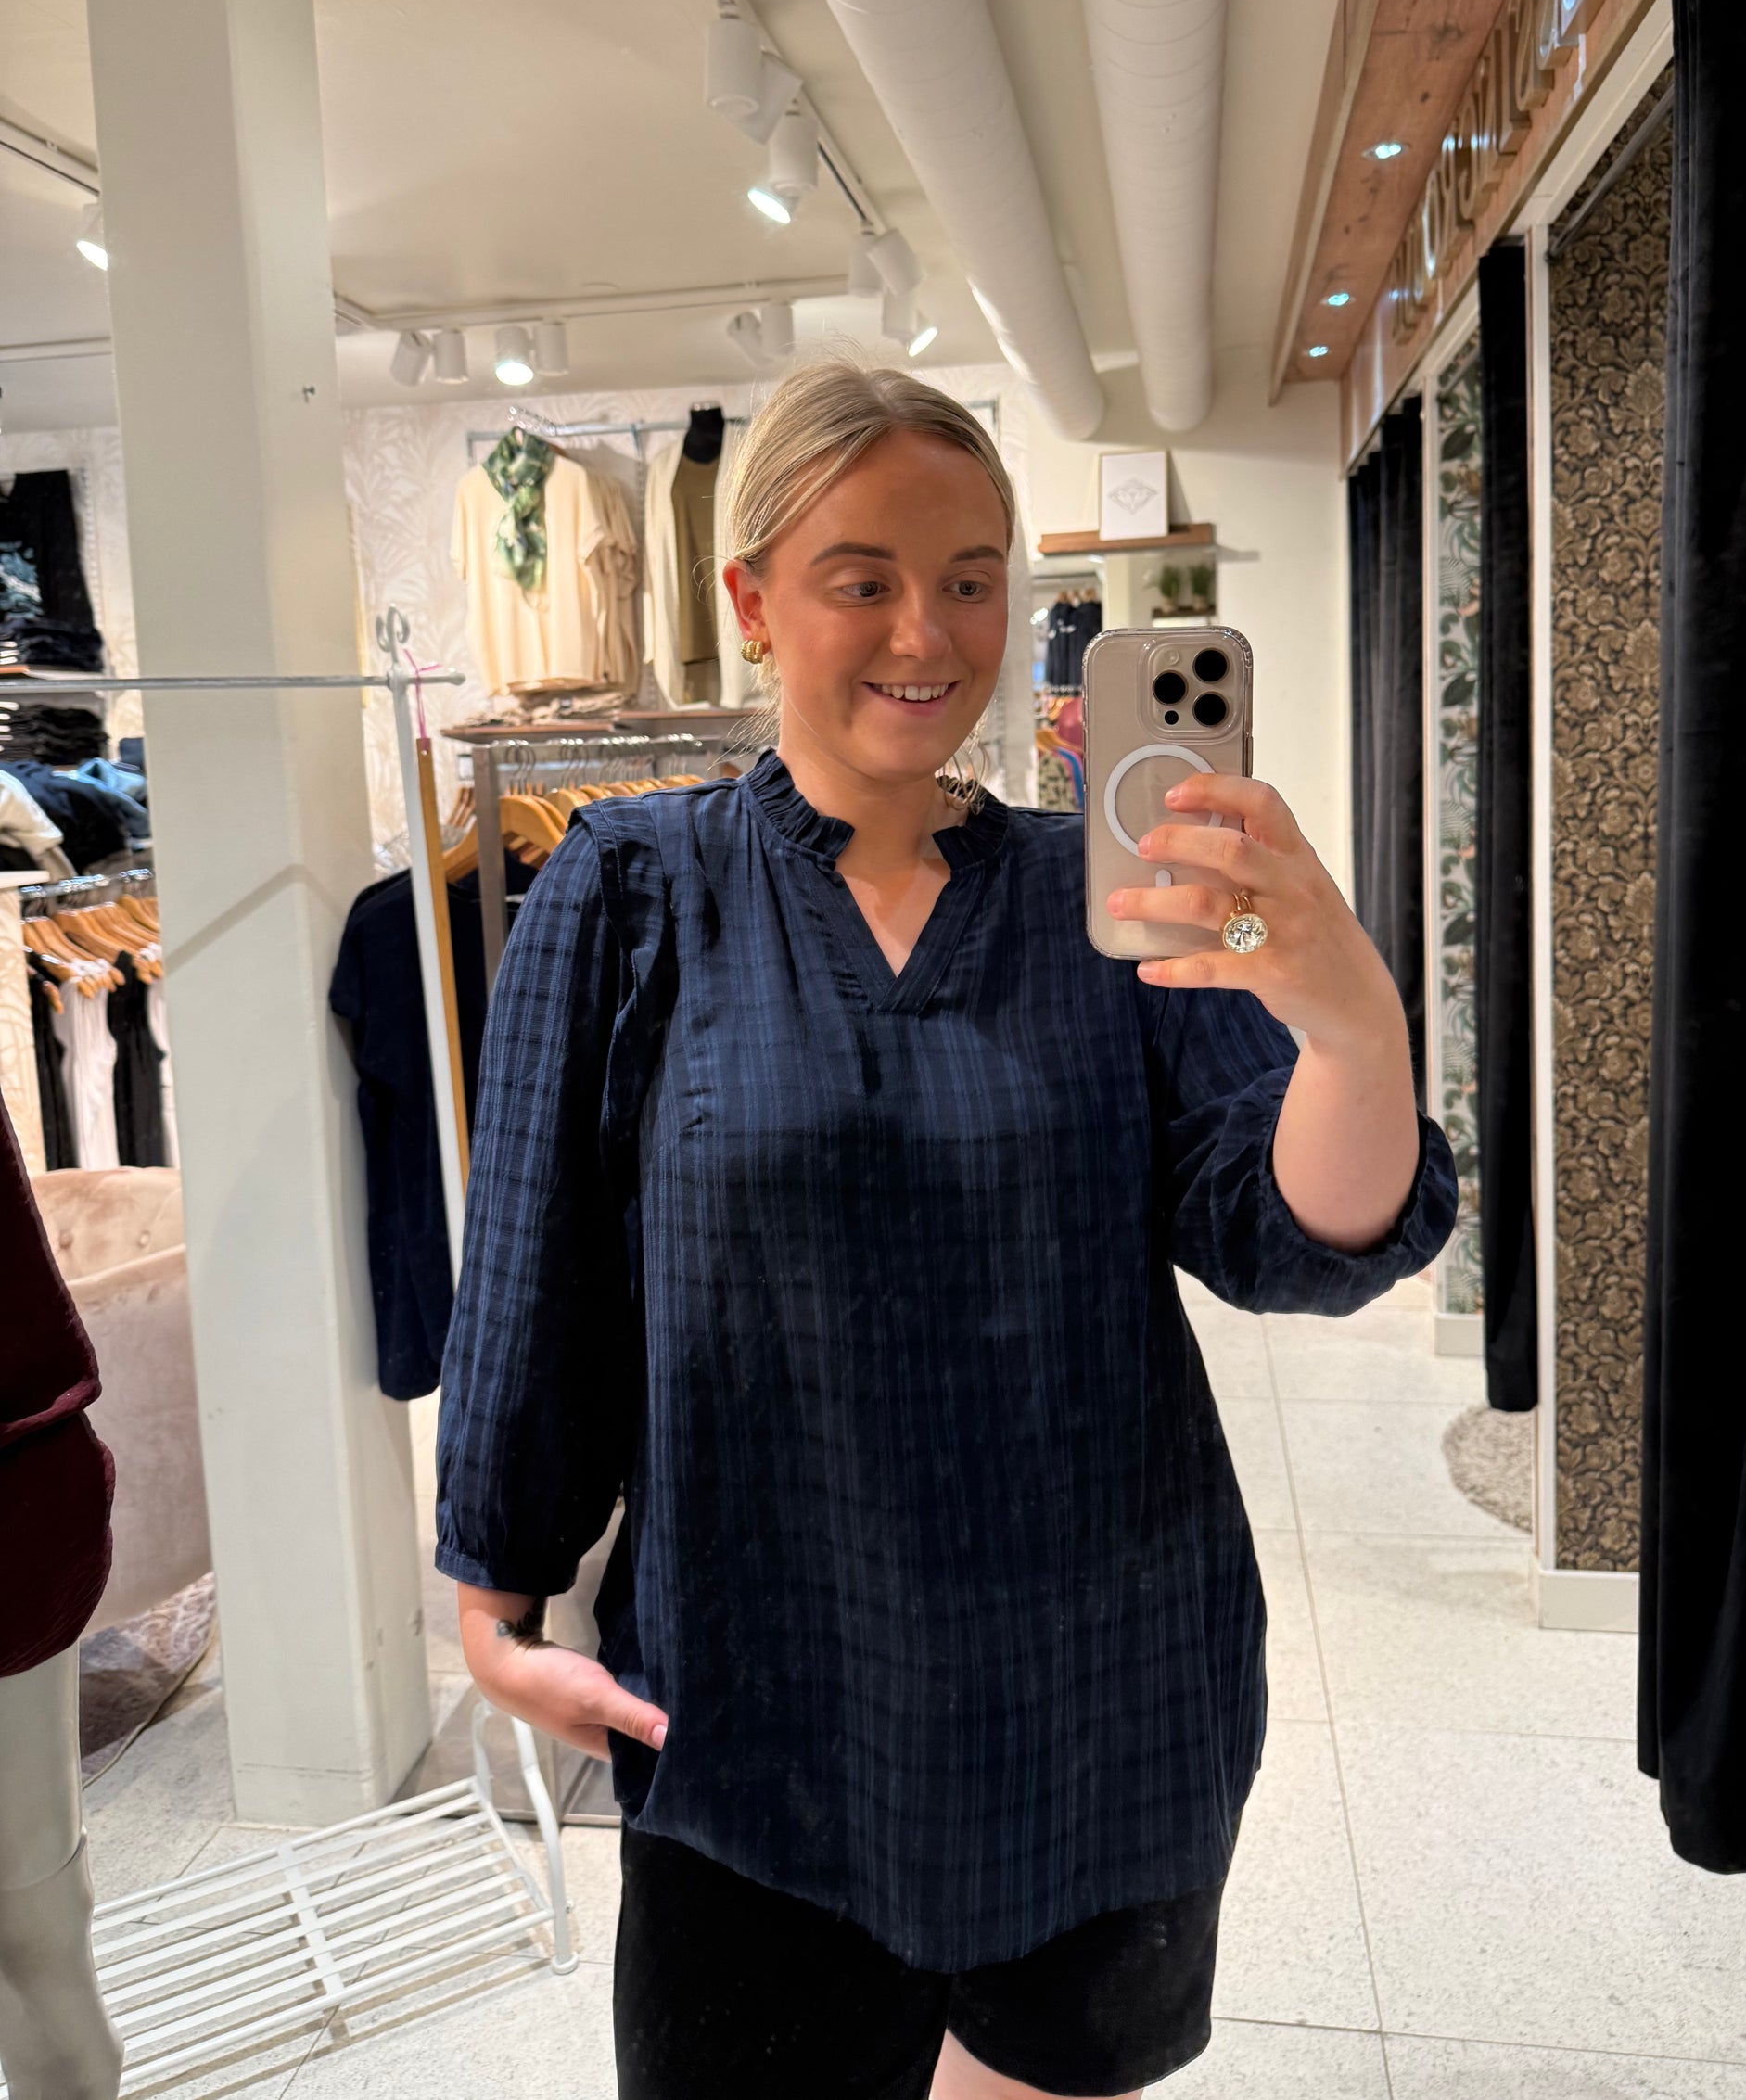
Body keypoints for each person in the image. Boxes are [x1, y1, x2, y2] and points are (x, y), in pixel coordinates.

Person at [435, 362, 1456, 2100]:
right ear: (754, 600)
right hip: (760, 1703)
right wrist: (495, 1599)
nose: (927, 633)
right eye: (865, 580)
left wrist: (1352, 1028)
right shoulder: (633, 886)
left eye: (971, 579)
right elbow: (542, 1278)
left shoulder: (1102, 907)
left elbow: (1292, 1239)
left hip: (1101, 1695)